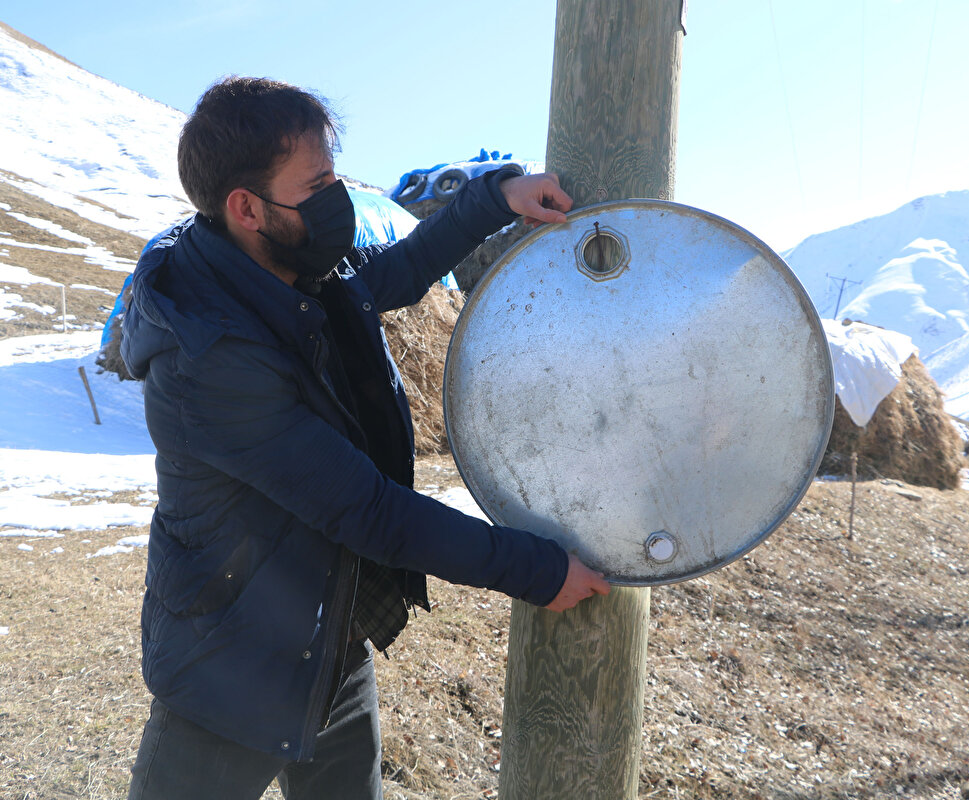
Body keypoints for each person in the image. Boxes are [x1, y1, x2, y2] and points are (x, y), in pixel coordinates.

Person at [120, 76, 610, 800]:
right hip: (229, 665)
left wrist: (492, 201)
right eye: (316, 183)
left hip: (329, 637)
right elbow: (368, 512)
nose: (337, 198)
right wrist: (536, 570)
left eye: (335, 174)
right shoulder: (209, 354)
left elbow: (396, 272)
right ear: (246, 208)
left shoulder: (289, 265)